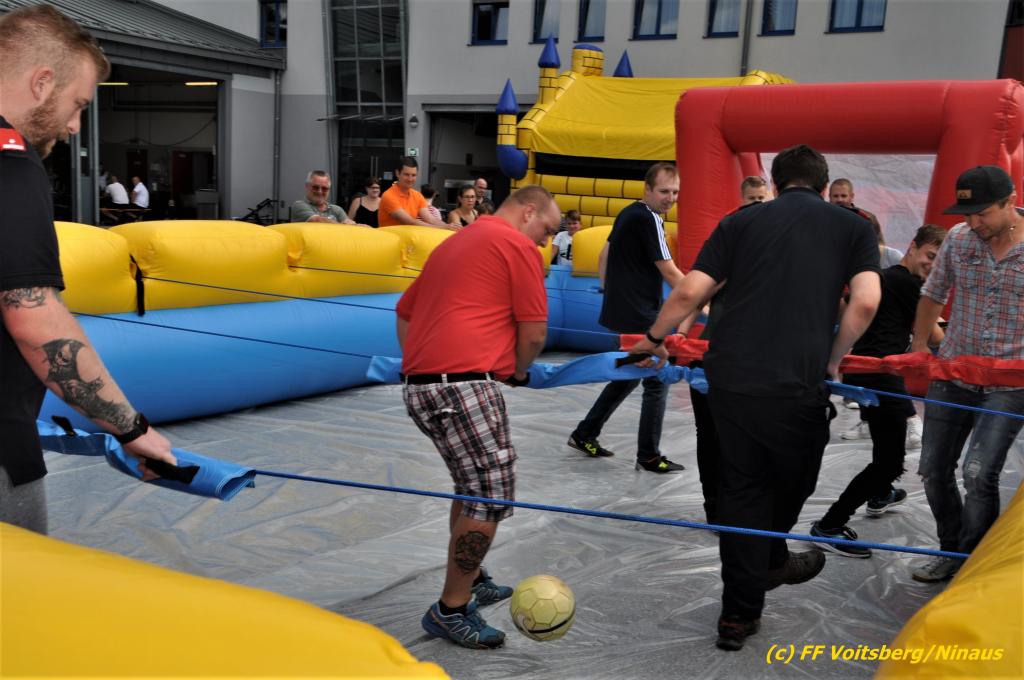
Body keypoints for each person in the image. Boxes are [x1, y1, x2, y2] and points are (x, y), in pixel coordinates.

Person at [629, 144, 881, 651]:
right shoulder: (852, 226)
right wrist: (834, 357)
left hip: (732, 381)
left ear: (776, 181)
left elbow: (689, 292)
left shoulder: (739, 222)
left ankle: (739, 612)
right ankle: (766, 564)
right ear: (823, 183)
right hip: (796, 382)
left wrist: (654, 338)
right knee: (794, 481)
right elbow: (867, 301)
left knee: (743, 490)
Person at [0, 4, 178, 534]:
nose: (76, 126)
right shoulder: (10, 163)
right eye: (77, 105)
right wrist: (132, 428)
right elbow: (34, 317)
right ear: (41, 82)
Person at [397, 185, 562, 649]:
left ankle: (471, 579)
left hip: (427, 386)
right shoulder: (515, 245)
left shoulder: (457, 242)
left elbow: (405, 313)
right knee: (489, 494)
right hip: (462, 385)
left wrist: (420, 365)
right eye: (547, 229)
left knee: (471, 487)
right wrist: (518, 372)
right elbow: (534, 332)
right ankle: (451, 609)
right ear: (528, 212)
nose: (546, 241)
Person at [908, 165, 1024, 583]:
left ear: (1011, 202)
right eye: (967, 214)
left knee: (978, 472)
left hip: (1009, 382)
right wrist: (920, 347)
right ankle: (952, 550)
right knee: (933, 469)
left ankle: (973, 565)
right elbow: (932, 294)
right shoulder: (958, 239)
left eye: (983, 213)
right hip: (954, 370)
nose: (973, 223)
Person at [809, 225, 946, 558]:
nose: (932, 265)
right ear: (912, 247)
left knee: (885, 448)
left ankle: (880, 494)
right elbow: (934, 336)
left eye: (939, 261)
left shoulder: (880, 278)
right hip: (882, 375)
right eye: (930, 255)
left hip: (863, 370)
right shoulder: (911, 285)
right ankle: (830, 524)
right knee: (889, 462)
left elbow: (846, 305)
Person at [567, 162, 687, 473]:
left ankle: (584, 433)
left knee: (628, 377)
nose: (670, 198)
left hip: (624, 311)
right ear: (647, 189)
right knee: (657, 380)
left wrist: (611, 295)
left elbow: (604, 255)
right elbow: (670, 271)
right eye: (664, 191)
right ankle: (648, 455)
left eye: (675, 192)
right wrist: (701, 300)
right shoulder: (649, 218)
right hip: (640, 314)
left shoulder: (628, 212)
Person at [682, 176, 778, 523]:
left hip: (753, 359)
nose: (756, 204)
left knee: (745, 436)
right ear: (742, 200)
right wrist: (679, 338)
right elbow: (694, 295)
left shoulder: (777, 247)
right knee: (710, 435)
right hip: (714, 355)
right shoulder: (727, 239)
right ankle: (716, 507)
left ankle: (741, 504)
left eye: (761, 198)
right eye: (751, 199)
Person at [378, 157, 446, 228]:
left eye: (413, 175)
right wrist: (443, 228)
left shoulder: (417, 195)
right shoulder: (389, 196)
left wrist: (448, 226)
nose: (410, 179)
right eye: (406, 175)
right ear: (397, 173)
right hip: (392, 235)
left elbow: (430, 219)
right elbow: (410, 222)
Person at [291, 170, 355, 224]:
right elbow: (317, 220)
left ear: (329, 190)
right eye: (315, 187)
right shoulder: (298, 205)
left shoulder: (337, 210)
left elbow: (349, 228)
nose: (320, 192)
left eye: (324, 188)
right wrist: (343, 225)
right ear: (307, 186)